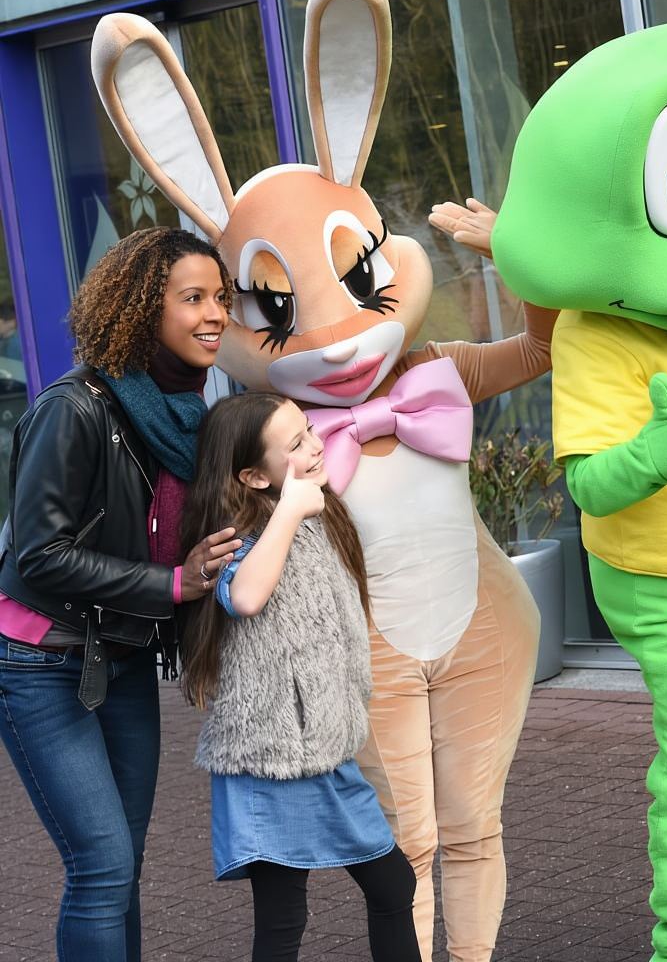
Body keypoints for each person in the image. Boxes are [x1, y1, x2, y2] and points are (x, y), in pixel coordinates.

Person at [0, 227, 241, 961]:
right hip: (43, 665)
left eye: (222, 299)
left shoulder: (188, 416)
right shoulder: (74, 409)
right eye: (193, 298)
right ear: (143, 308)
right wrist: (171, 583)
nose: (215, 315)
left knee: (122, 868)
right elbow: (39, 555)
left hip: (123, 657)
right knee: (101, 866)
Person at [179, 391, 420, 962]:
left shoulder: (316, 512)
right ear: (252, 477)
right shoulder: (241, 534)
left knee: (371, 892)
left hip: (319, 745)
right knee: (292, 913)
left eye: (309, 431)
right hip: (271, 755)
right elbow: (245, 595)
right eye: (294, 445)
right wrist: (289, 510)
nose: (315, 446)